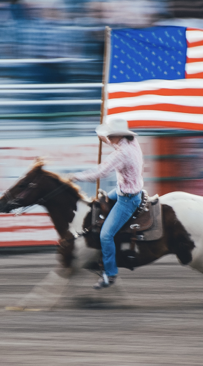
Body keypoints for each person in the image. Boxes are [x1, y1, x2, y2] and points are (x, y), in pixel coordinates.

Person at [70, 118, 144, 289]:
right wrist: (102, 134)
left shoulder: (122, 154)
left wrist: (76, 176)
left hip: (128, 199)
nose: (108, 139)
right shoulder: (131, 143)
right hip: (126, 190)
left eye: (110, 136)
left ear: (117, 136)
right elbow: (112, 143)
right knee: (99, 205)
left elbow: (100, 172)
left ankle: (110, 274)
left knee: (106, 234)